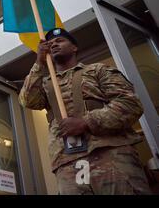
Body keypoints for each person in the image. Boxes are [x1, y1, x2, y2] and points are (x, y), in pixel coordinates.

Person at [19, 27, 151, 194]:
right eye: (50, 43)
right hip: (67, 163)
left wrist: (86, 122)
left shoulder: (98, 70)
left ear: (74, 47)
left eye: (60, 41)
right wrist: (39, 62)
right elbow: (27, 100)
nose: (53, 44)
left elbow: (130, 104)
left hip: (109, 153)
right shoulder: (45, 84)